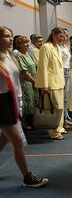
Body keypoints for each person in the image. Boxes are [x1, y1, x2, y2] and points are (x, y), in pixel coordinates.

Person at [0, 26, 48, 187]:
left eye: (11, 36)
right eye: (6, 36)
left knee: (4, 139)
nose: (10, 39)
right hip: (2, 102)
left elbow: (20, 73)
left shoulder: (9, 56)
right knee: (18, 141)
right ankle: (27, 177)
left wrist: (38, 83)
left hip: (13, 99)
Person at [35, 27, 66, 140]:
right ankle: (53, 131)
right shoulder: (46, 47)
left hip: (59, 82)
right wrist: (45, 85)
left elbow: (59, 67)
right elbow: (43, 67)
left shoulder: (57, 47)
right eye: (60, 36)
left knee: (60, 107)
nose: (62, 38)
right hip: (50, 83)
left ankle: (59, 128)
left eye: (64, 36)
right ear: (53, 35)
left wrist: (63, 81)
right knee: (53, 107)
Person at [15, 36, 36, 130]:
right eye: (24, 43)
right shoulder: (19, 55)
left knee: (33, 101)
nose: (27, 44)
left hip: (33, 80)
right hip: (26, 81)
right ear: (19, 45)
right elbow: (24, 72)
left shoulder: (29, 54)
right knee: (26, 102)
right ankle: (24, 123)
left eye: (28, 42)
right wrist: (33, 80)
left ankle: (32, 121)